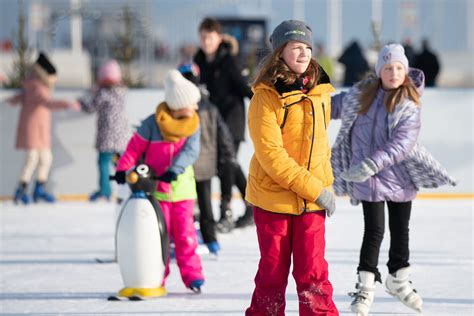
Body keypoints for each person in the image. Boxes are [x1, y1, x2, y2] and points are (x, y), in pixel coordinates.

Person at [330, 44, 456, 315]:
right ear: (379, 71)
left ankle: (398, 279)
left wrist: (371, 164)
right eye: (388, 68)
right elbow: (333, 105)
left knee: (400, 231)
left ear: (406, 69)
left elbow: (403, 143)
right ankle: (365, 286)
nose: (394, 72)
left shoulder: (408, 103)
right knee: (373, 231)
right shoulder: (361, 95)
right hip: (368, 180)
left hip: (398, 178)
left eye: (399, 67)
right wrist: (308, 97)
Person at [244, 20, 339, 315]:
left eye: (308, 48)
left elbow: (320, 146)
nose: (303, 54)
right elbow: (272, 157)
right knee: (272, 277)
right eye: (296, 47)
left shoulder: (320, 92)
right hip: (274, 199)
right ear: (280, 53)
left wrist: (327, 183)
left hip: (311, 203)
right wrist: (317, 189)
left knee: (314, 277)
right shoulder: (266, 97)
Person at [115, 70, 205, 293]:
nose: (195, 108)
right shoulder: (152, 124)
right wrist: (122, 169)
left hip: (182, 190)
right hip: (157, 191)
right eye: (192, 103)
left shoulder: (193, 124)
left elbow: (192, 151)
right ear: (179, 104)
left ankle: (192, 275)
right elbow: (134, 148)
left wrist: (174, 170)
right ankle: (156, 276)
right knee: (157, 238)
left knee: (186, 235)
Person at [194, 17, 254, 232]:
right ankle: (252, 206)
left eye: (209, 37)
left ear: (218, 38)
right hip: (212, 124)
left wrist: (262, 100)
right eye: (202, 37)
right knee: (226, 165)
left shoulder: (228, 61)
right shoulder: (198, 61)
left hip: (232, 120)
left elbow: (244, 87)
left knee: (227, 164)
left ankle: (225, 211)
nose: (206, 41)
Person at [178, 62, 237, 256]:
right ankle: (211, 241)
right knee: (204, 204)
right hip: (205, 164)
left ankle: (187, 240)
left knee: (184, 205)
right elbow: (223, 135)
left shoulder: (178, 106)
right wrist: (227, 157)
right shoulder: (209, 106)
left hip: (185, 165)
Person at [6, 52, 80, 204]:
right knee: (32, 158)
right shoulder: (35, 86)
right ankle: (20, 190)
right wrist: (66, 104)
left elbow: (21, 98)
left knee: (46, 158)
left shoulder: (36, 85)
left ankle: (39, 189)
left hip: (41, 130)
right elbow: (47, 102)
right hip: (32, 130)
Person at [78, 60, 129, 201]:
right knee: (120, 163)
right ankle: (126, 187)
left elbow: (91, 107)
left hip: (107, 136)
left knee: (103, 162)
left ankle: (105, 191)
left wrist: (80, 102)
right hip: (121, 137)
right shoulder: (121, 91)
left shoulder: (104, 94)